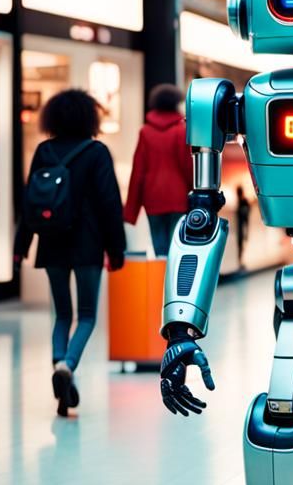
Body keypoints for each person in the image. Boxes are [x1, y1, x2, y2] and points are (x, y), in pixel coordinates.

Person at [15, 89, 126, 417]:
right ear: (89, 117)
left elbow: (30, 202)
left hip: (51, 243)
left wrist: (20, 248)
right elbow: (109, 204)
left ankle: (60, 370)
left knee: (62, 315)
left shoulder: (44, 150)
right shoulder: (97, 152)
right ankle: (67, 365)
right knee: (87, 315)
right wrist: (116, 249)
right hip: (88, 244)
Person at [124, 84, 192, 258]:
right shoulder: (181, 131)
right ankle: (172, 275)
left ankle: (161, 274)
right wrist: (194, 194)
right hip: (179, 199)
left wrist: (131, 210)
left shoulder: (145, 132)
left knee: (160, 249)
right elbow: (188, 167)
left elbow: (138, 172)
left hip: (153, 199)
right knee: (177, 247)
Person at [235, 185, 251, 267]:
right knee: (240, 245)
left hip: (243, 227)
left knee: (242, 244)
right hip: (240, 227)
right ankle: (240, 262)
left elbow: (246, 214)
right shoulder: (240, 201)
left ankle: (242, 262)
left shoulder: (243, 202)